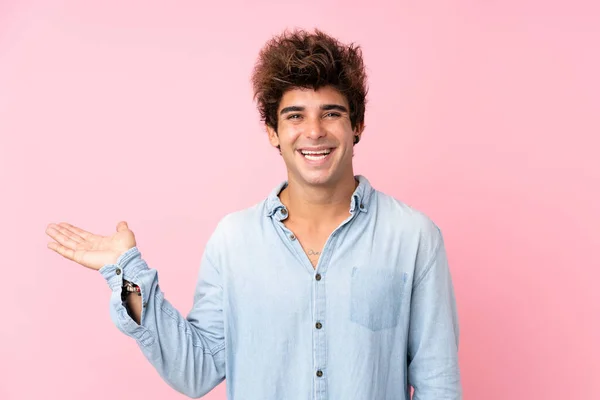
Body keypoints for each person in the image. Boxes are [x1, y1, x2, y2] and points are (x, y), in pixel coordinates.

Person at [46, 28, 462, 399]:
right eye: (294, 115)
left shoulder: (413, 237)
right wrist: (125, 276)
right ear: (272, 132)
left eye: (331, 113)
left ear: (358, 125)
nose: (314, 131)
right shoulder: (234, 240)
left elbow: (437, 382)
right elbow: (196, 370)